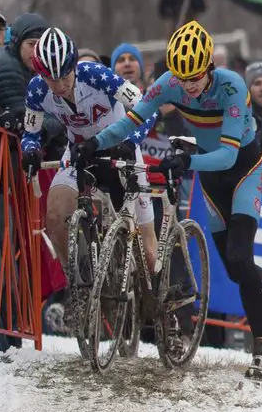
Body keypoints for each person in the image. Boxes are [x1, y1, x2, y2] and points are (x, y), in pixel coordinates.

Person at [80, 21, 262, 380]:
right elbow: (132, 121)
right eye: (182, 77)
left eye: (195, 77)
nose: (188, 86)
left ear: (209, 67)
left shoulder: (231, 86)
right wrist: (96, 142)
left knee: (240, 256)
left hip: (244, 170)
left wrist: (186, 161)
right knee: (236, 270)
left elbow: (229, 155)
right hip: (211, 174)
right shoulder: (168, 83)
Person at [19, 28, 160, 297]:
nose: (59, 86)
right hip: (81, 155)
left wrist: (130, 142)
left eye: (63, 77)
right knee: (56, 215)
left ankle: (157, 302)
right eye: (51, 79)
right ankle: (83, 288)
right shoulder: (37, 90)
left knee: (150, 254)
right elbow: (30, 134)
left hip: (121, 152)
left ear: (74, 65)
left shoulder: (96, 76)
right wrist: (31, 151)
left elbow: (146, 108)